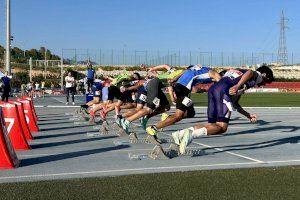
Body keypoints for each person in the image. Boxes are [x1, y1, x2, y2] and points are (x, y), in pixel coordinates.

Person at [174, 65, 275, 154]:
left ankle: (181, 133)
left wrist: (247, 115)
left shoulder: (240, 74)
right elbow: (250, 72)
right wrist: (237, 86)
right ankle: (191, 135)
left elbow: (235, 103)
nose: (263, 85)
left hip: (214, 90)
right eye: (266, 82)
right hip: (223, 92)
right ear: (264, 75)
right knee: (222, 127)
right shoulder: (256, 76)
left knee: (211, 126)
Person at [146, 64, 221, 138]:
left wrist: (175, 78)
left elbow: (185, 71)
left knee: (190, 113)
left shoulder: (199, 69)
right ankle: (153, 128)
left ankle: (168, 118)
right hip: (183, 89)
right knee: (178, 116)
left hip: (181, 87)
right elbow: (220, 84)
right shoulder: (214, 74)